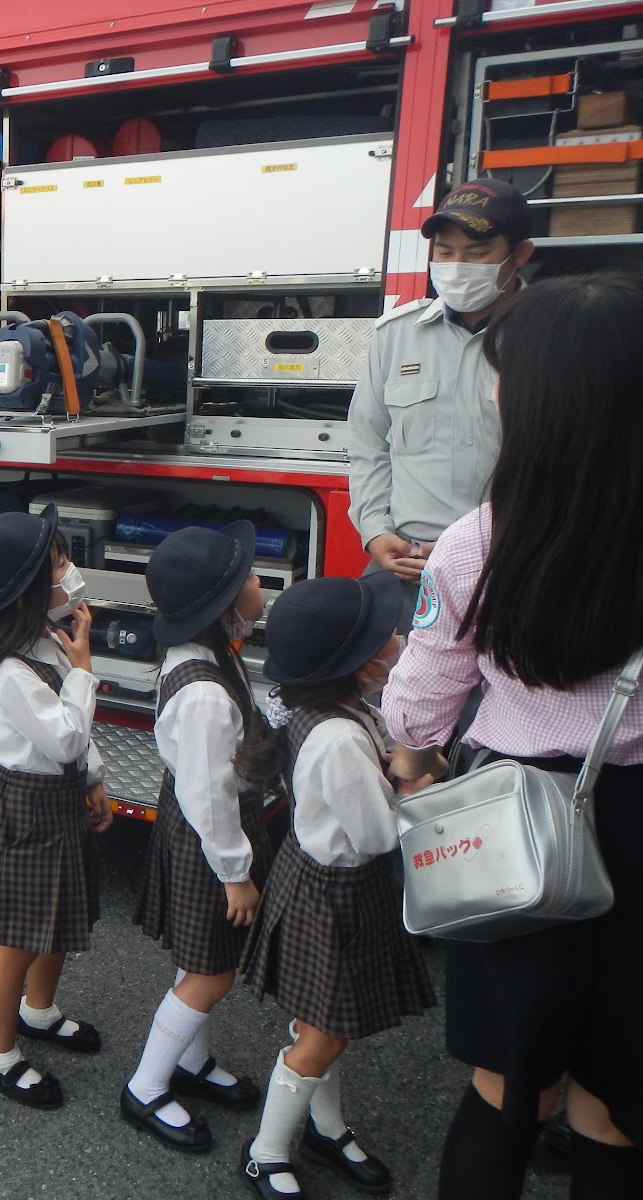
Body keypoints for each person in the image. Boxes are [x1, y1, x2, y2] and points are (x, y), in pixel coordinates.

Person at [383, 273, 643, 1200]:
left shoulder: (476, 542)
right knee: (614, 1106)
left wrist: (412, 766)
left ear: (540, 400)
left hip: (514, 822)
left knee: (506, 1089)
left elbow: (416, 709)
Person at [233, 575, 437, 1199]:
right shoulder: (341, 738)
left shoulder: (331, 713)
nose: (398, 639)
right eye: (386, 636)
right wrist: (417, 787)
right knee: (325, 1033)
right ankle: (266, 1153)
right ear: (360, 664)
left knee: (322, 1023)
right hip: (336, 895)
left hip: (317, 883)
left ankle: (325, 1128)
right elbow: (378, 834)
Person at [124, 522, 273, 1152]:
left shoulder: (204, 656)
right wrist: (236, 874)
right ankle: (147, 1085)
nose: (261, 586)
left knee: (199, 956)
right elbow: (210, 795)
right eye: (252, 578)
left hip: (203, 830)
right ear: (223, 602)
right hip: (214, 838)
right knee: (213, 972)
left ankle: (190, 1060)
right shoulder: (205, 693)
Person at [0, 505, 113, 1110]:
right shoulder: (8, 672)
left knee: (59, 921)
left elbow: (78, 741)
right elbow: (65, 735)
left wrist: (94, 779)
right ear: (27, 591)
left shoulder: (47, 640)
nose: (71, 570)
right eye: (59, 564)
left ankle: (39, 1010)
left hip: (59, 799)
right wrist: (84, 672)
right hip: (26, 809)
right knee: (19, 940)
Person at [346, 177, 533, 621]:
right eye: (445, 252)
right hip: (406, 568)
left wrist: (503, 542)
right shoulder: (396, 336)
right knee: (382, 664)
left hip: (512, 566)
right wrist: (375, 531)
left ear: (520, 254)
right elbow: (368, 444)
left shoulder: (552, 338)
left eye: (477, 252)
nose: (457, 265)